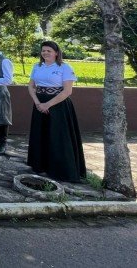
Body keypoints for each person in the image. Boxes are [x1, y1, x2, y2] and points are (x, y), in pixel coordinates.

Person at [27, 41, 87, 182]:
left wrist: (48, 104)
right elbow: (31, 86)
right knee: (40, 135)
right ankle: (40, 165)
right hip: (39, 104)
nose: (45, 53)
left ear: (56, 53)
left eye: (49, 50)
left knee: (58, 137)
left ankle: (59, 169)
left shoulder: (64, 67)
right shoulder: (37, 66)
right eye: (43, 50)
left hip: (58, 105)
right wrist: (38, 103)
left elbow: (67, 91)